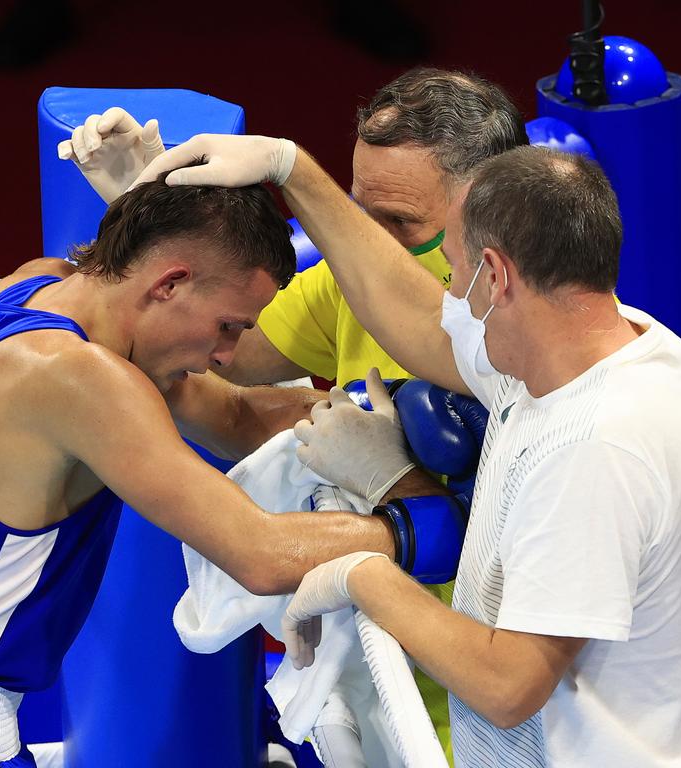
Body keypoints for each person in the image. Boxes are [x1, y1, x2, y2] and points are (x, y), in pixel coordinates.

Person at [135, 138, 681, 766]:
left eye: (455, 273)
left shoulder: (594, 448)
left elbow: (510, 687)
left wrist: (360, 576)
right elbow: (413, 313)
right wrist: (293, 169)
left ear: (497, 275)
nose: (452, 302)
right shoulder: (620, 344)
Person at [0, 176, 398, 768]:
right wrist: (419, 521)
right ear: (170, 283)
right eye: (228, 325)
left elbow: (233, 414)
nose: (227, 355)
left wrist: (380, 413)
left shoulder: (32, 289)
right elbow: (261, 553)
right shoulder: (84, 381)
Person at [63, 72, 527, 760]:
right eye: (358, 213)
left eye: (400, 224)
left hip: (502, 685)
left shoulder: (530, 324)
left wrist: (395, 486)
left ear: (497, 219)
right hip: (380, 660)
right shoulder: (351, 277)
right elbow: (226, 349)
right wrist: (155, 231)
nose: (368, 243)